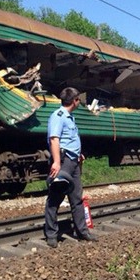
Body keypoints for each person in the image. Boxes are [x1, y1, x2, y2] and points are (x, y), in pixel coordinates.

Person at [44, 87, 98, 248]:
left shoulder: (70, 117)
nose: (79, 101)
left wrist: (78, 154)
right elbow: (54, 139)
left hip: (73, 160)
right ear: (74, 101)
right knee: (55, 198)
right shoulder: (58, 116)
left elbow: (69, 139)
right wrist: (56, 162)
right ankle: (51, 235)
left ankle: (83, 232)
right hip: (64, 161)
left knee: (77, 198)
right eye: (78, 99)